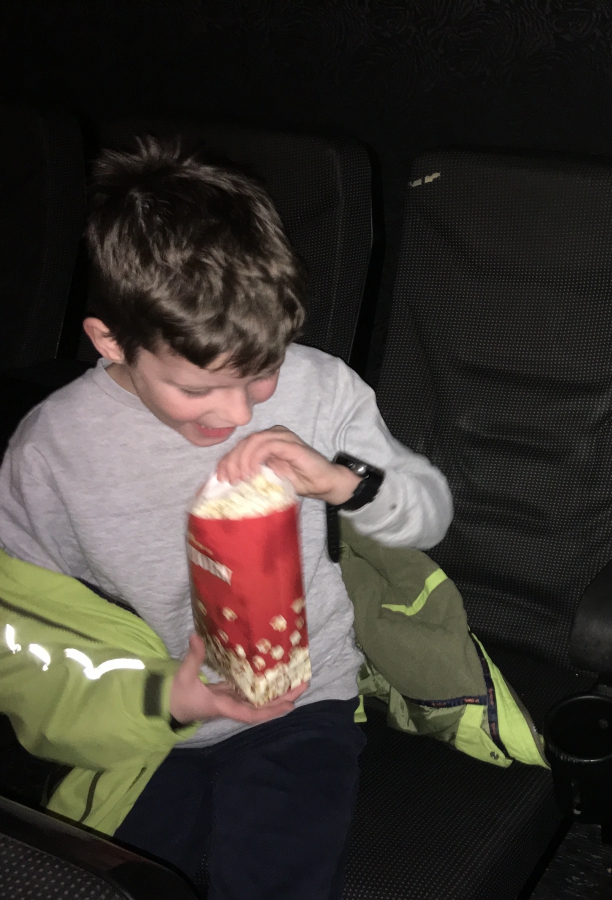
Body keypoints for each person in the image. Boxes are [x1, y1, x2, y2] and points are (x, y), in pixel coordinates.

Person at [0, 137, 452, 899]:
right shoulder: (51, 455)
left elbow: (431, 515)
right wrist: (167, 700)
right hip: (153, 721)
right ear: (110, 342)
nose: (240, 414)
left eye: (263, 371)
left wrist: (343, 484)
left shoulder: (322, 391)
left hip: (303, 701)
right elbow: (23, 644)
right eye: (197, 389)